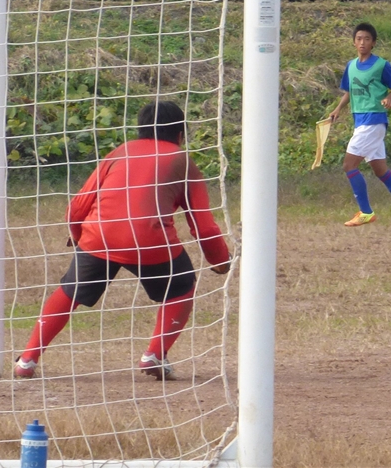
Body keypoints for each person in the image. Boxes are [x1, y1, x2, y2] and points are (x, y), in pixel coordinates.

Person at [14, 101, 231, 380]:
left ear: (140, 129)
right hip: (150, 241)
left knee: (69, 291)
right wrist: (220, 261)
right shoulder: (183, 161)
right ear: (180, 134)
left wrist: (81, 239)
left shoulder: (119, 152)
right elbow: (203, 226)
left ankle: (27, 360)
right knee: (181, 286)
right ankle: (154, 355)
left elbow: (77, 207)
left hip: (99, 236)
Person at [329, 22, 391, 230]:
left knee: (349, 165)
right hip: (360, 121)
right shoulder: (351, 66)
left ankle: (366, 212)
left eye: (367, 39)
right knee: (380, 170)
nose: (363, 42)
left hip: (373, 121)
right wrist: (338, 109)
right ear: (354, 42)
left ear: (373, 43)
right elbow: (349, 91)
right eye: (359, 39)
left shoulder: (381, 65)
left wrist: (390, 98)